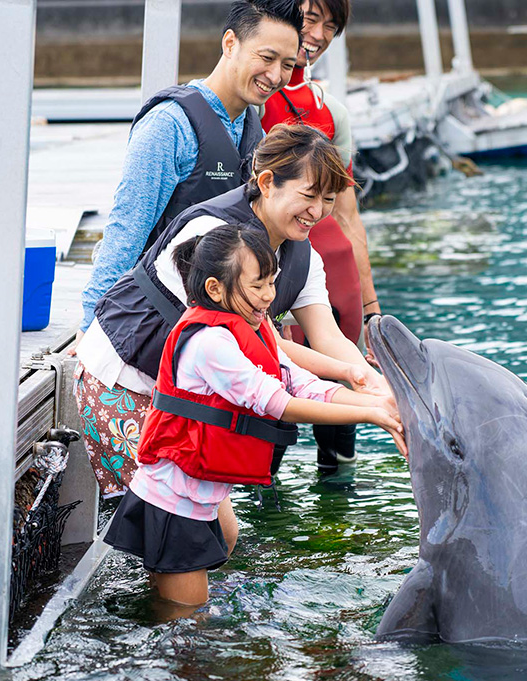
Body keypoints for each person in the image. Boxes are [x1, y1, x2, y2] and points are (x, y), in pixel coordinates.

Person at [74, 124, 390, 498]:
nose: (317, 211)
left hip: (177, 398)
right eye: (309, 195)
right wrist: (362, 391)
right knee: (168, 515)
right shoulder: (215, 237)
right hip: (122, 378)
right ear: (267, 182)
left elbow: (328, 337)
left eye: (328, 199)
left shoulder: (303, 255)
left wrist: (375, 384)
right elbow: (268, 347)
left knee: (204, 519)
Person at [102, 225, 405, 609]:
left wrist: (376, 399)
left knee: (218, 557)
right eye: (257, 286)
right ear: (215, 289)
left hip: (201, 497)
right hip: (172, 505)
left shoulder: (252, 329)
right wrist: (371, 416)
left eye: (272, 283)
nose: (269, 296)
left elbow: (300, 383)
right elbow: (277, 403)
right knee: (187, 623)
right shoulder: (210, 343)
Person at [76, 0, 304, 348]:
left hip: (215, 327)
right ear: (230, 43)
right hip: (153, 324)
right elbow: (126, 229)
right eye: (267, 58)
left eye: (287, 65)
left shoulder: (252, 129)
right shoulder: (169, 125)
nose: (275, 76)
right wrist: (90, 326)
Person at [261, 0, 382, 474]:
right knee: (273, 394)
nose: (318, 34)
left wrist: (371, 308)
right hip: (272, 266)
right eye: (311, 18)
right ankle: (267, 500)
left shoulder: (333, 112)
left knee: (345, 395)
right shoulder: (253, 98)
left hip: (333, 270)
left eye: (331, 26)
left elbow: (349, 217)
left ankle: (338, 501)